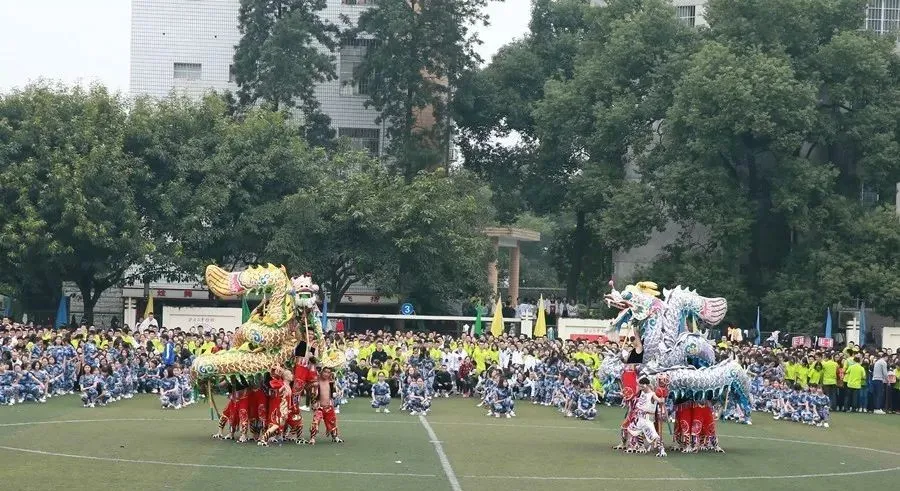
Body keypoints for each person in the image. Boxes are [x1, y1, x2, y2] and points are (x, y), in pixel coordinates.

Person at [628, 378, 666, 457]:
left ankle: (661, 449)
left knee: (653, 435)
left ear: (646, 385)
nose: (640, 388)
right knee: (634, 430)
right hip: (640, 416)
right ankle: (641, 446)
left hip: (647, 418)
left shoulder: (652, 394)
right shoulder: (642, 392)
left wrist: (662, 399)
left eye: (642, 386)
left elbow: (659, 400)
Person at [307, 366, 343, 445]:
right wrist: (313, 403)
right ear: (321, 372)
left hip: (329, 406)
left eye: (328, 372)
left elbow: (334, 392)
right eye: (325, 371)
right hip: (319, 407)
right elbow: (310, 392)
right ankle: (312, 438)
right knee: (316, 421)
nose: (326, 374)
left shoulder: (331, 382)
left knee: (332, 421)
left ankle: (335, 436)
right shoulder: (316, 381)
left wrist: (337, 393)